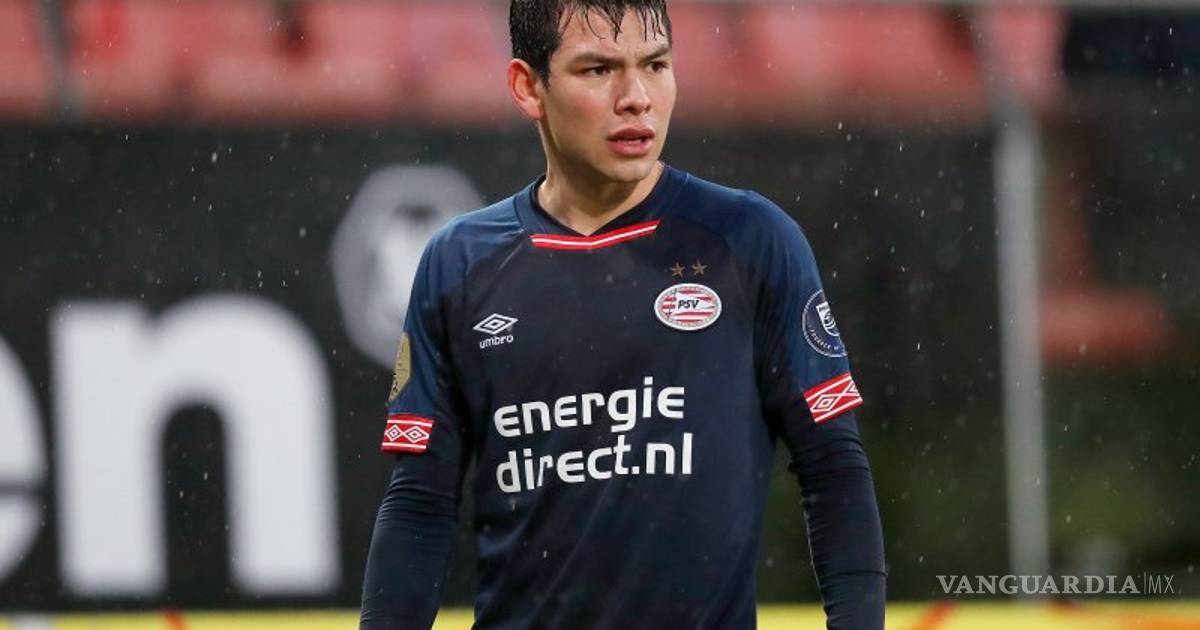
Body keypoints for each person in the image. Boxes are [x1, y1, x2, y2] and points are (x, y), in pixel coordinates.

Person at [359, 1, 886, 628]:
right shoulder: (458, 263)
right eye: (598, 70)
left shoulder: (750, 239)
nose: (636, 98)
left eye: (655, 65)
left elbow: (833, 470)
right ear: (528, 88)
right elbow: (419, 504)